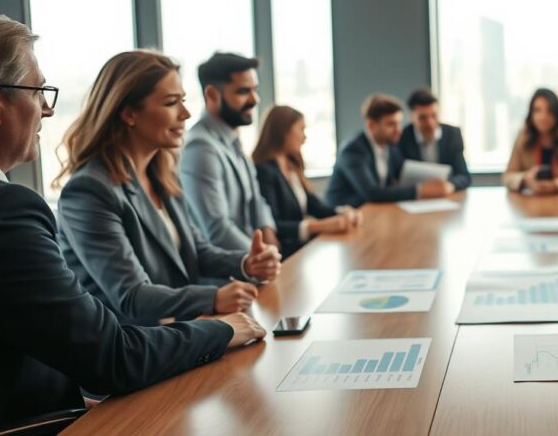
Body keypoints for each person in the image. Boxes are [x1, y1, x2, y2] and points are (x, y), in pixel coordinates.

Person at [0, 14, 264, 431]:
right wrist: (220, 328)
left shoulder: (163, 175)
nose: (48, 108)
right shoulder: (5, 209)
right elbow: (112, 355)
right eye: (39, 92)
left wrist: (242, 268)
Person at [55, 51, 281, 326]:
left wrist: (246, 263)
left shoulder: (162, 175)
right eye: (172, 103)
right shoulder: (89, 190)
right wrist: (213, 297)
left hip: (175, 333)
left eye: (183, 101)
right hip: (130, 349)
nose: (185, 114)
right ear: (128, 113)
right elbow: (132, 297)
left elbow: (196, 250)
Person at [180, 52, 280, 252]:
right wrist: (262, 259)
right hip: (229, 275)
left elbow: (256, 200)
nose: (255, 99)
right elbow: (218, 231)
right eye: (243, 91)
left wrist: (268, 231)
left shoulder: (233, 139)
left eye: (255, 89)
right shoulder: (200, 147)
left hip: (254, 266)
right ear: (211, 95)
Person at [253, 105, 363, 258]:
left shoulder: (291, 165)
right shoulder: (263, 171)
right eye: (301, 129)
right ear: (283, 131)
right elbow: (272, 225)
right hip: (283, 255)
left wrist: (342, 212)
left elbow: (313, 206)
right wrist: (317, 226)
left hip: (302, 250)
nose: (304, 137)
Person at [326, 94, 452, 207]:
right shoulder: (353, 150)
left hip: (373, 212)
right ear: (371, 125)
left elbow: (403, 175)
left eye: (398, 123)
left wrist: (434, 183)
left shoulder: (390, 148)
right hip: (343, 218)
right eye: (391, 124)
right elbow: (371, 193)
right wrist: (420, 190)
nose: (398, 130)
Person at [502, 88, 558, 194]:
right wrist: (525, 179)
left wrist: (555, 184)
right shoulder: (523, 137)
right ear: (531, 114)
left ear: (557, 114)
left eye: (549, 111)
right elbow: (507, 177)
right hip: (532, 203)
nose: (543, 117)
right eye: (537, 110)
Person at [397, 88, 471, 191]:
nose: (430, 124)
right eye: (422, 118)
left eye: (434, 116)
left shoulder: (452, 135)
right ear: (411, 117)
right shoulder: (401, 137)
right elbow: (396, 176)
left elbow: (464, 176)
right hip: (415, 197)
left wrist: (449, 185)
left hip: (445, 196)